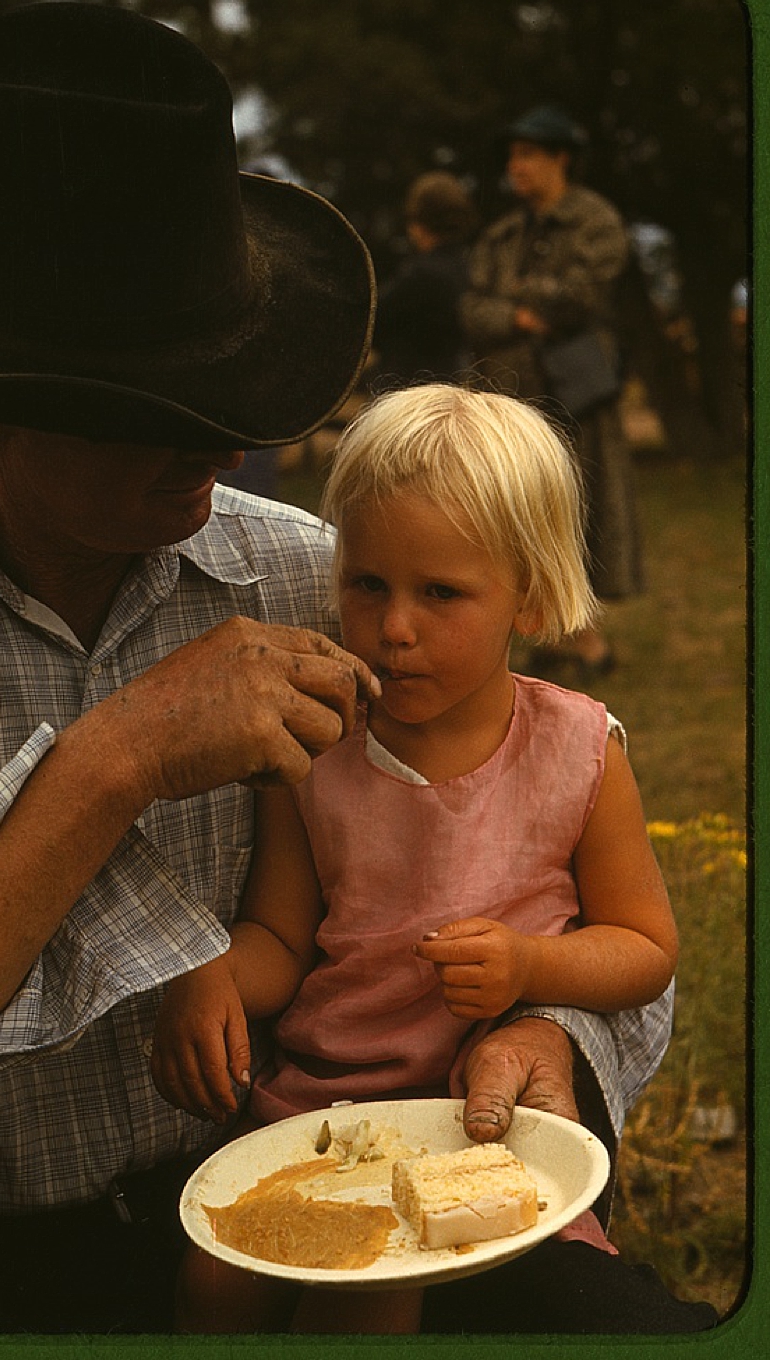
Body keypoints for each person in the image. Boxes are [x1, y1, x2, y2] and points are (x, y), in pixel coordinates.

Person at [0, 3, 700, 1335]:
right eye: (157, 418)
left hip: (324, 1190)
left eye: (232, 404)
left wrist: (553, 1036)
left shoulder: (318, 577)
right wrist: (115, 758)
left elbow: (585, 905)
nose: (219, 456)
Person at [149, 385, 682, 1334]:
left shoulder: (579, 749)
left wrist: (531, 965)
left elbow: (644, 946)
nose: (395, 627)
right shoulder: (313, 748)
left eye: (440, 594)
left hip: (480, 1115)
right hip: (325, 1105)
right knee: (215, 1275)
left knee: (382, 1295)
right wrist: (206, 975)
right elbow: (280, 935)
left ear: (527, 587)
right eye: (368, 585)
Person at [461, 104, 644, 678]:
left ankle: (587, 644)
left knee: (580, 514)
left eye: (529, 155)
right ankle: (553, 639)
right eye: (513, 155)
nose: (517, 166)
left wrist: (519, 297)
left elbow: (582, 294)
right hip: (513, 399)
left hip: (577, 396)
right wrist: (519, 315)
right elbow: (472, 308)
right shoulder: (502, 234)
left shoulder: (594, 220)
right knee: (521, 516)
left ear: (560, 159)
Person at [368, 170, 478, 389]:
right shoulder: (471, 267)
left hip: (406, 390)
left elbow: (372, 320)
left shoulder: (421, 274)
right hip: (450, 388)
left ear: (417, 222)